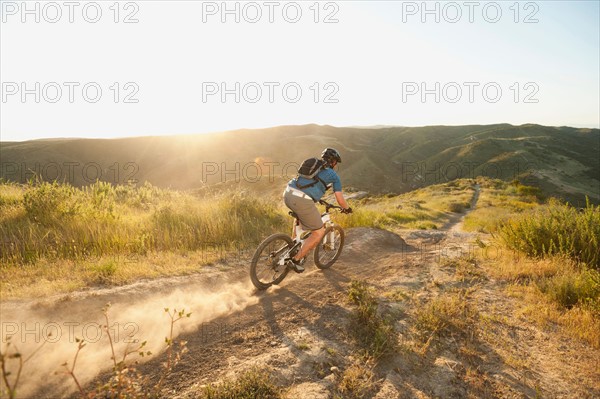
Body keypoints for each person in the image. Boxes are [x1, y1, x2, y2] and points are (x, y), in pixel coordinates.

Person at [283, 148, 352, 273]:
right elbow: (340, 199)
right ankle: (295, 260)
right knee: (318, 233)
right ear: (334, 162)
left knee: (299, 215)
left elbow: (310, 183)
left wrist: (316, 196)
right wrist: (346, 209)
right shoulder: (333, 175)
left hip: (287, 193)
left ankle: (293, 244)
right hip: (302, 199)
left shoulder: (313, 165)